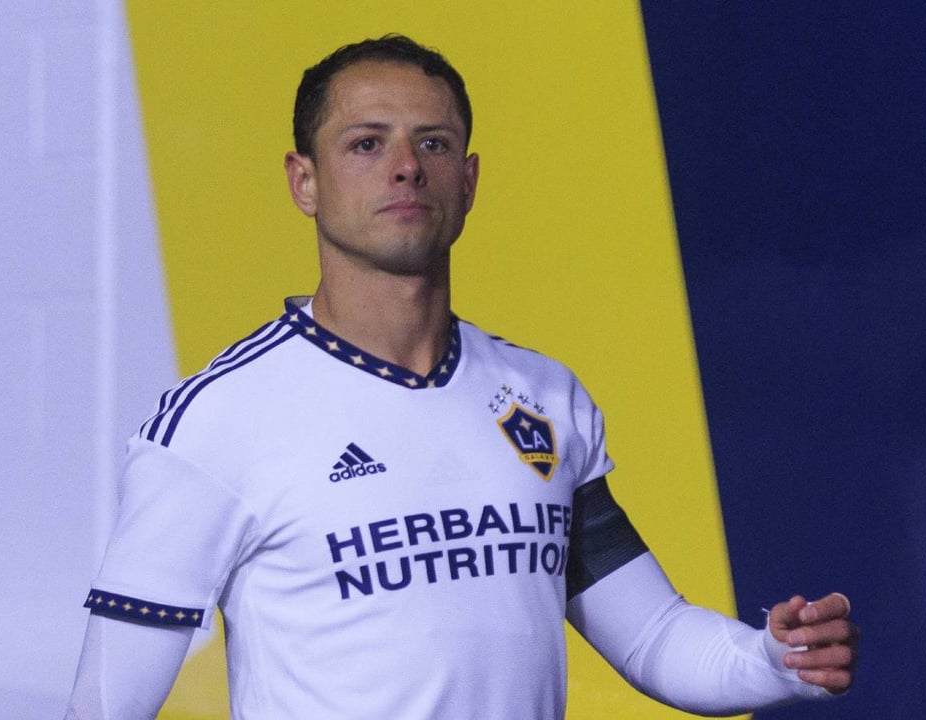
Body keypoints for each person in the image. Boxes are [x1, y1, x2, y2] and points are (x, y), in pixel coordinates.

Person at [65, 34, 858, 719]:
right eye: (366, 144)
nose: (406, 168)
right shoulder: (214, 424)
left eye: (434, 144)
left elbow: (652, 635)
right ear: (304, 181)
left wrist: (775, 661)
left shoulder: (544, 398)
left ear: (469, 181)